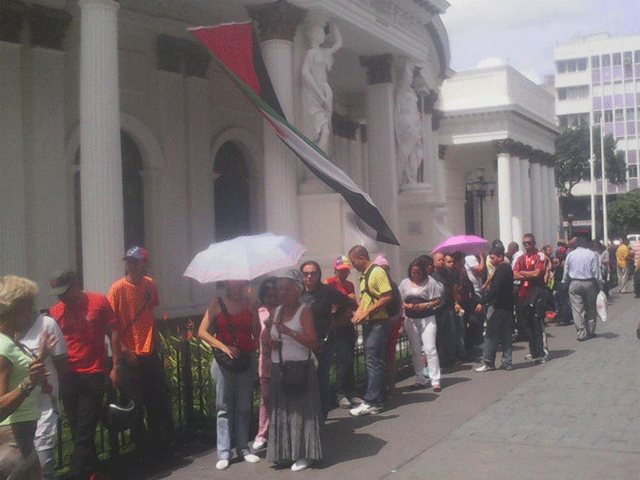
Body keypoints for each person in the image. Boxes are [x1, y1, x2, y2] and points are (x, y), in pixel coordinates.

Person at [48, 271, 119, 480]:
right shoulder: (56, 311)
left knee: (85, 428)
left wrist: (116, 366)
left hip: (93, 373)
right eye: (58, 294)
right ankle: (94, 472)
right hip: (68, 376)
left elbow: (113, 332)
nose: (61, 297)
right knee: (77, 426)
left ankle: (76, 475)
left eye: (65, 292)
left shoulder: (98, 302)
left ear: (75, 284)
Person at [107, 246, 173, 464]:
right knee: (135, 406)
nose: (131, 265)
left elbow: (150, 316)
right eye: (129, 262)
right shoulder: (117, 289)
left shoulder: (150, 284)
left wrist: (158, 345)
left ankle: (160, 448)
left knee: (157, 401)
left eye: (135, 262)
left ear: (144, 263)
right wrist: (124, 352)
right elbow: (111, 326)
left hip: (150, 353)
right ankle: (141, 451)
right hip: (130, 356)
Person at [196, 281, 260, 470]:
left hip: (246, 358)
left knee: (243, 406)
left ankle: (243, 448)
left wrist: (256, 313)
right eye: (233, 280)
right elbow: (201, 332)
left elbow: (255, 332)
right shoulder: (216, 302)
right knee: (223, 406)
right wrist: (224, 347)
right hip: (224, 361)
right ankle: (224, 452)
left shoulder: (251, 302)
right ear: (226, 282)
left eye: (240, 280)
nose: (237, 284)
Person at [267, 275, 322, 472]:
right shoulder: (276, 312)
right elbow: (267, 337)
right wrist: (271, 341)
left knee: (301, 413)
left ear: (298, 290)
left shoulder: (304, 312)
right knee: (282, 411)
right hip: (279, 367)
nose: (283, 293)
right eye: (280, 289)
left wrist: (289, 332)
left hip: (300, 368)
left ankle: (305, 454)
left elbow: (313, 342)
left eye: (287, 289)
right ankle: (285, 452)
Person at [0, 275, 50, 480]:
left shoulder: (11, 341)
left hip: (23, 436)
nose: (32, 313)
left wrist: (37, 374)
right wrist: (29, 382)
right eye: (29, 306)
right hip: (13, 438)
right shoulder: (3, 346)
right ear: (13, 309)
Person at [299, 260, 356, 418]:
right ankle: (309, 416)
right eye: (306, 274)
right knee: (305, 380)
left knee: (320, 378)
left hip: (323, 341)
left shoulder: (327, 291)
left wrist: (335, 319)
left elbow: (348, 303)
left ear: (319, 275)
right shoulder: (298, 294)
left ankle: (322, 416)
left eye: (313, 273)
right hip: (303, 342)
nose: (309, 277)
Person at [19, 302, 67, 480]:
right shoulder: (5, 333)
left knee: (44, 466)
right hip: (14, 413)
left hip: (43, 408)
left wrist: (49, 387)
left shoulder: (46, 324)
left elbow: (62, 365)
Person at [348, 246, 392, 416]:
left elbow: (387, 296)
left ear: (361, 257)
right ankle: (379, 398)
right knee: (375, 360)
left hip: (378, 322)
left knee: (373, 361)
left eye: (354, 262)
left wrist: (366, 312)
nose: (353, 266)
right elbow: (367, 298)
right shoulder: (365, 275)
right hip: (371, 322)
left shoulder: (376, 272)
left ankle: (371, 401)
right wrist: (360, 312)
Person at [399, 257, 443, 391]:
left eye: (418, 273)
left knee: (430, 349)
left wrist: (426, 305)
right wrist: (408, 305)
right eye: (413, 273)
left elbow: (438, 300)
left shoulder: (430, 282)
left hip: (427, 318)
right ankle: (420, 378)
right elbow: (400, 301)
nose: (416, 276)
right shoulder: (405, 283)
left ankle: (435, 379)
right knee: (415, 350)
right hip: (411, 319)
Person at [323, 256, 361, 409]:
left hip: (347, 325)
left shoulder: (350, 284)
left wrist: (351, 302)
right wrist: (345, 299)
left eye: (346, 270)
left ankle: (350, 391)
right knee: (340, 362)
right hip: (334, 326)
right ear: (336, 270)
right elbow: (326, 303)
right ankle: (340, 394)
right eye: (341, 270)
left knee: (349, 361)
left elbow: (353, 304)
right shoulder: (330, 283)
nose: (344, 272)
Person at [301, 21, 342, 154]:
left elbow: (339, 43)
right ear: (313, 35)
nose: (323, 35)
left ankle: (320, 157)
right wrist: (319, 93)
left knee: (326, 127)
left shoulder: (324, 52)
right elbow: (305, 73)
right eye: (320, 32)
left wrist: (333, 24)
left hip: (325, 90)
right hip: (314, 93)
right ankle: (319, 157)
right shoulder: (311, 53)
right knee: (323, 129)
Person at [475, 246, 514, 372]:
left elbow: (495, 290)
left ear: (500, 256)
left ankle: (488, 362)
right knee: (506, 335)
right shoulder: (507, 268)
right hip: (507, 307)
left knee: (491, 335)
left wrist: (483, 302)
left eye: (492, 258)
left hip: (498, 307)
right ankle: (507, 361)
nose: (491, 261)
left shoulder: (501, 270)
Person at [513, 234, 549, 363]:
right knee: (527, 324)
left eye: (529, 243)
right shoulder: (521, 258)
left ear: (534, 243)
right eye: (525, 243)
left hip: (537, 292)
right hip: (524, 293)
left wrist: (523, 273)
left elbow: (538, 273)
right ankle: (533, 351)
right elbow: (514, 274)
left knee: (537, 323)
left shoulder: (540, 256)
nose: (527, 245)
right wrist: (528, 275)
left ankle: (542, 351)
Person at [252, 277, 279, 452]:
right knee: (267, 398)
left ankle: (279, 431)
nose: (270, 298)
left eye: (273, 295)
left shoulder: (282, 311)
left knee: (283, 397)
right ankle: (262, 433)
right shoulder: (259, 311)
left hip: (283, 360)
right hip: (265, 361)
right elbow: (254, 334)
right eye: (267, 295)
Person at [563, 236, 604, 341]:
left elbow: (566, 271)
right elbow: (596, 272)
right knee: (591, 307)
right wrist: (600, 285)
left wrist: (565, 282)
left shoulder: (571, 255)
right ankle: (590, 330)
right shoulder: (592, 254)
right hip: (589, 283)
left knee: (577, 309)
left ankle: (581, 333)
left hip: (574, 282)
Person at [377, 255, 403, 396]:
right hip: (379, 324)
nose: (384, 272)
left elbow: (399, 303)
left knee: (390, 356)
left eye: (386, 269)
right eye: (382, 269)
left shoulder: (392, 285)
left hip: (392, 322)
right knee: (379, 357)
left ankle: (391, 386)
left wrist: (400, 320)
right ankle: (381, 388)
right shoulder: (375, 283)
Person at [395, 59, 423, 185]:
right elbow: (405, 77)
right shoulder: (400, 91)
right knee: (404, 154)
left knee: (417, 154)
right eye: (409, 76)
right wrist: (408, 64)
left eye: (412, 76)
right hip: (405, 125)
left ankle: (411, 177)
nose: (410, 79)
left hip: (414, 125)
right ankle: (404, 178)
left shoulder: (410, 92)